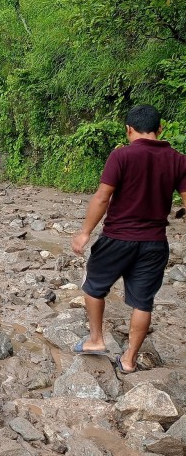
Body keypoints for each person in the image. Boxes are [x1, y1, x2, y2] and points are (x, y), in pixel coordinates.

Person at [71, 105, 186, 374]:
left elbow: (102, 197)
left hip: (117, 238)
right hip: (155, 243)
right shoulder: (179, 160)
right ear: (160, 129)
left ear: (128, 130)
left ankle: (96, 339)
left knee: (94, 287)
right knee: (143, 301)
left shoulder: (121, 155)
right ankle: (129, 360)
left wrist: (85, 232)